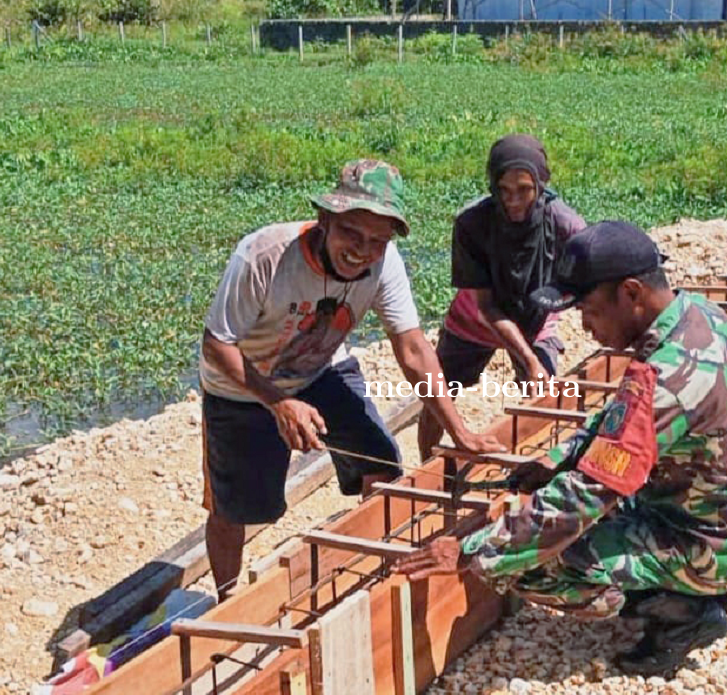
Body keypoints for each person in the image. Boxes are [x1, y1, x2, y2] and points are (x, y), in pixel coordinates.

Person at [398, 220, 727, 676]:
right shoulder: (697, 316)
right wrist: (560, 460)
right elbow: (623, 419)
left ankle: (686, 613)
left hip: (708, 541)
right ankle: (700, 587)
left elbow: (584, 497)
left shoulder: (663, 379)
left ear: (631, 293)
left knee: (534, 562)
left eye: (591, 310)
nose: (586, 327)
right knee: (556, 515)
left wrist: (471, 550)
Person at [200, 159, 504, 595]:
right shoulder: (265, 256)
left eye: (377, 241)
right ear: (325, 220)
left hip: (319, 367)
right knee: (241, 509)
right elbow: (217, 344)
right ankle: (226, 598)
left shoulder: (385, 264)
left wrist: (461, 432)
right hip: (242, 387)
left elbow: (414, 349)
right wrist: (278, 403)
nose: (362, 250)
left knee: (379, 459)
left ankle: (370, 571)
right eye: (351, 234)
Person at [416, 134, 587, 460]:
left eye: (524, 189)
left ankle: (537, 470)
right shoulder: (472, 224)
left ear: (542, 182)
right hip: (476, 319)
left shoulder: (564, 224)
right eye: (503, 190)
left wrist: (537, 361)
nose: (514, 200)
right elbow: (487, 306)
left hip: (535, 320)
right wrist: (531, 360)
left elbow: (593, 277)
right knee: (436, 397)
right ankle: (427, 469)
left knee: (543, 398)